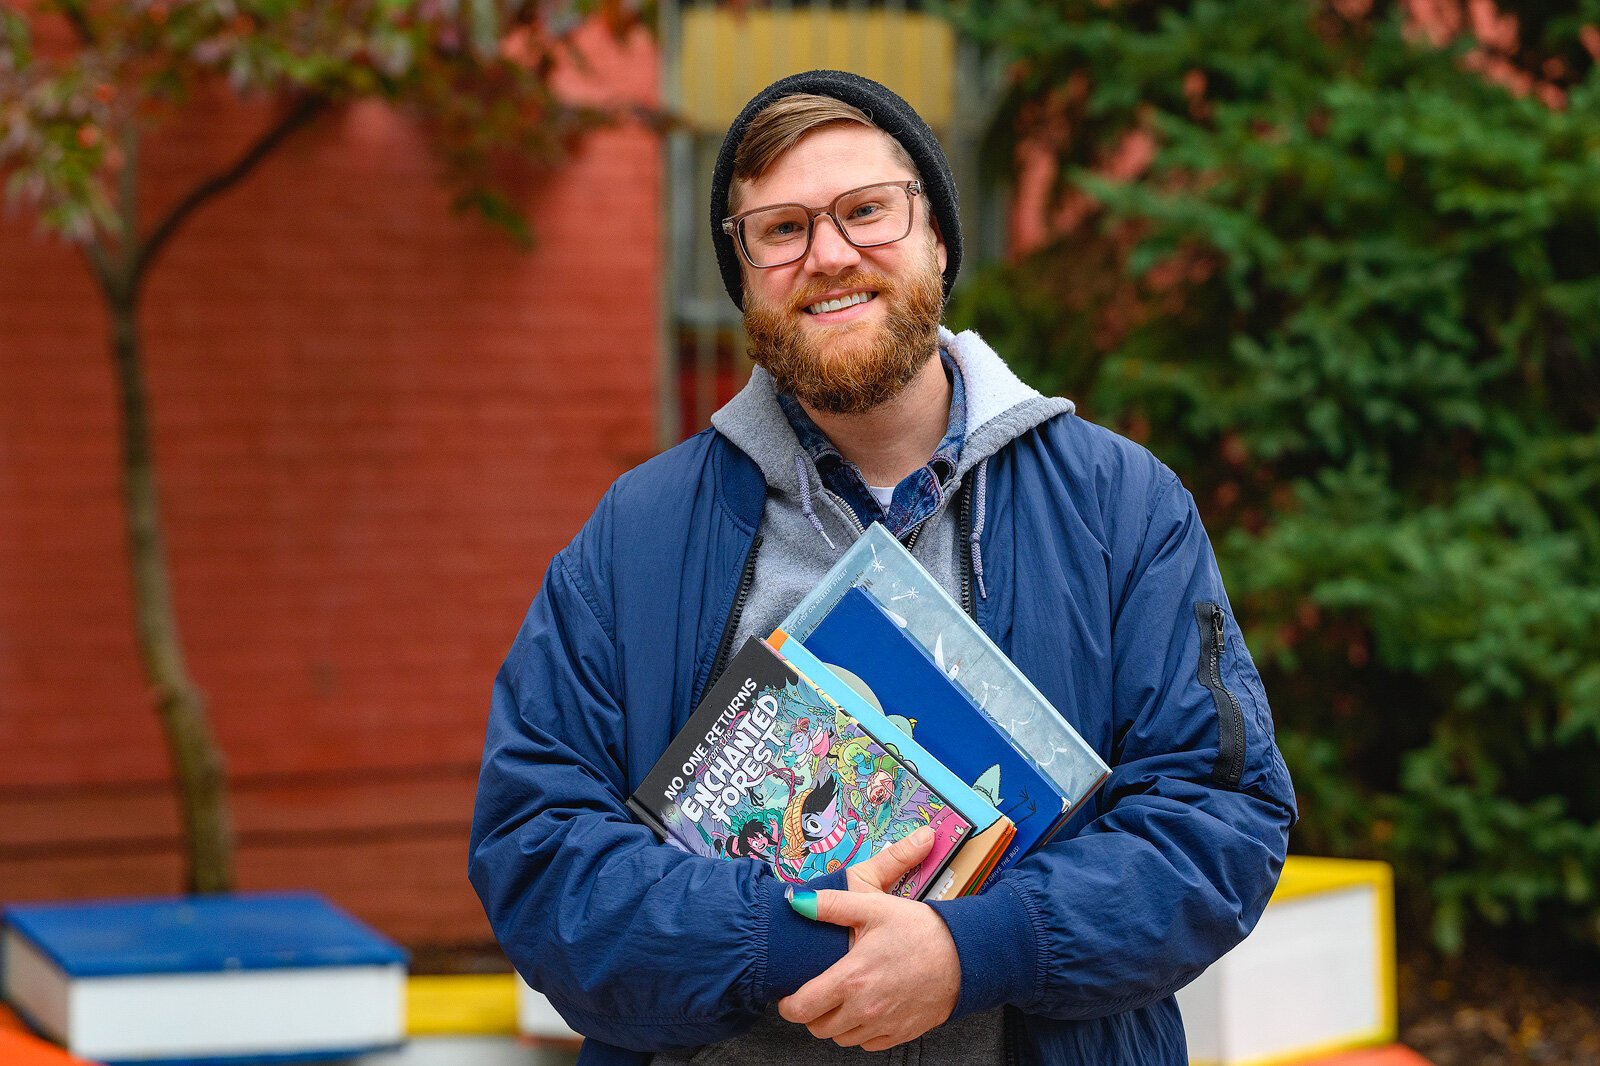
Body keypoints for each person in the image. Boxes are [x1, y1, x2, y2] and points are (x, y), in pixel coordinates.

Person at [470, 70, 1296, 1065]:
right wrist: (781, 936)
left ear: (938, 239)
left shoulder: (1121, 507)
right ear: (743, 274)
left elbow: (1218, 821)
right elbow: (537, 855)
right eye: (780, 229)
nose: (828, 253)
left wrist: (971, 952)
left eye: (867, 211)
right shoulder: (635, 537)